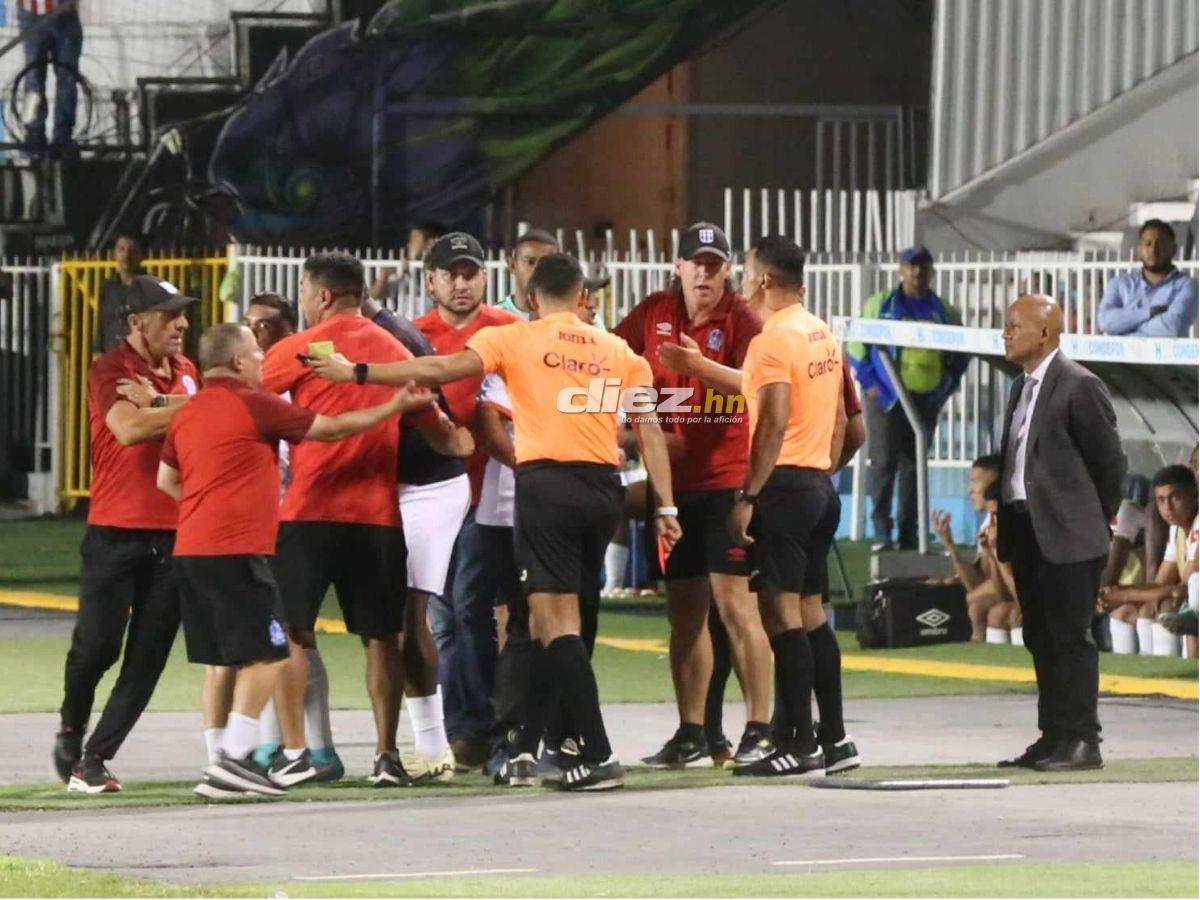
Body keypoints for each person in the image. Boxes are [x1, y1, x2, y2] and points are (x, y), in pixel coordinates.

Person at [308, 252, 682, 791]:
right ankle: (548, 743)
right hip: (604, 493)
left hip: (547, 487)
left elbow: (436, 368)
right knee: (567, 623)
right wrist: (666, 508)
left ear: (531, 299)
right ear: (582, 299)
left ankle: (594, 753)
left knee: (555, 626)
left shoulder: (516, 338)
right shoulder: (621, 351)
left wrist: (357, 372)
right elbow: (649, 432)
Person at [157, 323, 428, 798]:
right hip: (237, 550)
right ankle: (233, 761)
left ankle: (222, 760)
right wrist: (392, 406)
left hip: (191, 551)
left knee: (228, 659)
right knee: (271, 651)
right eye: (257, 352)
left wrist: (208, 508)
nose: (263, 359)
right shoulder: (255, 404)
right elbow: (331, 428)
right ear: (239, 363)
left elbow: (166, 480)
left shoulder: (189, 412)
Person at [259, 252, 458, 788]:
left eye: (303, 291)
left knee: (293, 634)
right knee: (382, 637)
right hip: (375, 515)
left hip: (309, 508)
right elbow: (442, 432)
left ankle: (298, 751)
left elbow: (246, 400)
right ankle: (386, 756)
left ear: (321, 295)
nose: (302, 301)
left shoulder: (299, 350)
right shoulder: (394, 350)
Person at [614, 221, 775, 770]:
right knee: (684, 615)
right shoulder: (653, 313)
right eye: (695, 263)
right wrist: (636, 428)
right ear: (678, 266)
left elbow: (762, 386)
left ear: (728, 271)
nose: (704, 273)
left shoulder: (744, 320)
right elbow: (608, 359)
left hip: (728, 481)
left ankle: (759, 728)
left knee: (736, 607)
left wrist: (699, 368)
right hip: (675, 489)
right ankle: (693, 731)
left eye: (714, 264)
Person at [52, 275, 198, 794]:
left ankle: (93, 759)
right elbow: (128, 429)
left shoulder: (187, 372)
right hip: (115, 532)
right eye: (169, 315)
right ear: (136, 322)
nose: (182, 323)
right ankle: (72, 724)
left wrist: (159, 403)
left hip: (177, 533)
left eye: (182, 313)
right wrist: (180, 408)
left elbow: (197, 416)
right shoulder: (107, 368)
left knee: (149, 656)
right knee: (98, 648)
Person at [724, 235, 845, 777]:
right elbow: (842, 418)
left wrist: (749, 494)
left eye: (746, 272)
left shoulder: (771, 340)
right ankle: (835, 737)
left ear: (765, 281)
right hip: (819, 483)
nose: (741, 282)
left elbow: (771, 421)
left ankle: (797, 740)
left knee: (780, 616)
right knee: (813, 615)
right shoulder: (820, 332)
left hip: (785, 486)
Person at [995, 294, 1125, 772]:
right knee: (1040, 635)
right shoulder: (1018, 387)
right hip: (1027, 531)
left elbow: (1110, 465)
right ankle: (1053, 737)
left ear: (1046, 333)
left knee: (1071, 637)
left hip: (1069, 535)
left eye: (1014, 325)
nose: (1005, 333)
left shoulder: (1080, 386)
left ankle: (1083, 741)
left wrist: (1090, 518)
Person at [411, 232, 520, 769]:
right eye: (450, 273)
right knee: (448, 619)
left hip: (488, 494)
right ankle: (470, 729)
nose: (460, 283)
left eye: (469, 272)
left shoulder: (509, 330)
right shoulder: (412, 336)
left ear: (485, 276)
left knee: (470, 610)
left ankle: (482, 727)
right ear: (430, 279)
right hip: (431, 493)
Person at [362, 289, 474, 782]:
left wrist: (455, 442)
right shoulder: (350, 335)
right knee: (388, 621)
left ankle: (434, 749)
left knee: (411, 616)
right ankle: (405, 748)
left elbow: (435, 421)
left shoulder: (394, 337)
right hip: (385, 484)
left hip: (428, 484)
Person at [846, 246, 968, 551]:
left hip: (925, 398)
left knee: (914, 467)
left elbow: (960, 354)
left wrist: (946, 387)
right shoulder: (881, 304)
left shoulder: (944, 311)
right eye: (912, 266)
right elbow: (855, 347)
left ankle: (909, 533)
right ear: (900, 270)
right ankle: (882, 532)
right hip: (885, 396)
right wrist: (870, 383)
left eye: (924, 266)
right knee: (884, 462)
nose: (918, 272)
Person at [1099, 466, 1197, 658]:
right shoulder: (1175, 529)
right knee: (1127, 612)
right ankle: (1142, 674)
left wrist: (1124, 595)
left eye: (1175, 498)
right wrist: (1117, 594)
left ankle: (1182, 672)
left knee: (1171, 602)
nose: (1167, 508)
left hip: (1194, 606)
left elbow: (1182, 588)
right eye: (1161, 500)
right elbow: (1161, 584)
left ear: (1194, 494)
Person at [933, 454, 1021, 643]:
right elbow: (980, 582)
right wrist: (951, 546)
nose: (970, 490)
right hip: (1014, 593)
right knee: (978, 606)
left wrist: (995, 554)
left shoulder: (1017, 523)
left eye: (975, 481)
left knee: (988, 608)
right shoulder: (988, 525)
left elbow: (1013, 590)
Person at [1097, 220, 1198, 338]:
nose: (1153, 250)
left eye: (1161, 244)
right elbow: (1105, 322)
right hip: (1124, 357)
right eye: (1148, 244)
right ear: (1139, 250)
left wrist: (1122, 329)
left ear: (1173, 250)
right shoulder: (1119, 284)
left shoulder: (1186, 286)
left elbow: (1172, 328)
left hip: (1165, 356)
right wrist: (1147, 313)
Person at [17, 0, 82, 156]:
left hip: (66, 13)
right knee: (33, 78)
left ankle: (63, 135)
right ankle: (33, 131)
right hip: (32, 13)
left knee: (68, 79)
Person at [368, 223, 444, 305]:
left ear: (430, 242)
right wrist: (384, 275)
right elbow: (373, 296)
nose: (408, 245)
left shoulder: (442, 271)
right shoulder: (403, 269)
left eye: (414, 240)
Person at [94, 233, 146, 354]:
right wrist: (97, 353)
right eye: (121, 250)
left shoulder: (150, 288)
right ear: (114, 254)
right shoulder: (108, 288)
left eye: (132, 251)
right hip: (112, 357)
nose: (126, 255)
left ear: (140, 256)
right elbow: (102, 325)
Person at [496, 229, 560, 319]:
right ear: (512, 265)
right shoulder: (494, 318)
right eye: (530, 262)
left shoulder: (565, 320)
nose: (538, 269)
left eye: (546, 263)